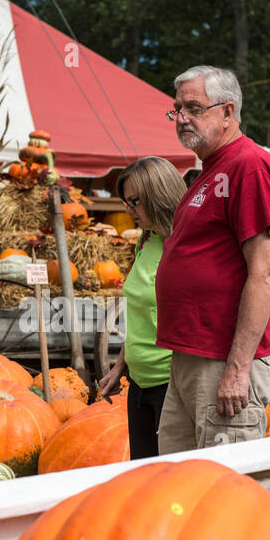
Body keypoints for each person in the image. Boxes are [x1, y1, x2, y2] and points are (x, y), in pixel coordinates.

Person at [155, 65, 270, 450]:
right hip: (190, 358)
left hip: (223, 361)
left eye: (194, 108)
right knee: (178, 485)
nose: (181, 119)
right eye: (177, 109)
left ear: (228, 112)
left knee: (220, 490)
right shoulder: (207, 172)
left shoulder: (250, 165)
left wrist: (237, 367)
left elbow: (264, 274)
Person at [98, 157, 187, 458]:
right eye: (125, 201)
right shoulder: (145, 242)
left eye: (134, 201)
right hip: (138, 384)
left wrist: (179, 394)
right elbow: (140, 316)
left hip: (169, 385)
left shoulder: (183, 248)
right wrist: (120, 366)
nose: (127, 210)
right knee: (140, 474)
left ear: (159, 197)